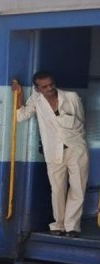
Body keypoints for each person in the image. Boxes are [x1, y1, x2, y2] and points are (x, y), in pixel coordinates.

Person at [13, 71, 89, 237]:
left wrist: (76, 139)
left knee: (78, 188)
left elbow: (81, 120)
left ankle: (72, 227)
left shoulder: (71, 97)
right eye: (45, 86)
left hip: (76, 149)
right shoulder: (36, 100)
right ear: (38, 89)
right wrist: (19, 95)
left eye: (51, 84)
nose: (49, 88)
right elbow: (21, 116)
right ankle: (58, 225)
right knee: (57, 189)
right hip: (53, 151)